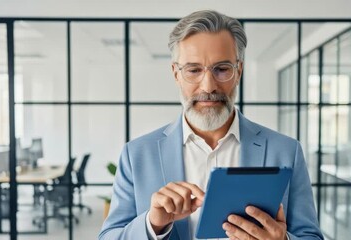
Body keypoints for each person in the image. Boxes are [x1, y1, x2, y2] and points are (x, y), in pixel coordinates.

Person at [99, 10, 323, 240]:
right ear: (176, 73)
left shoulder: (286, 151)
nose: (208, 86)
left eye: (222, 69)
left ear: (239, 71)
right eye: (194, 70)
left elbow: (312, 236)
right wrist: (151, 224)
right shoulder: (136, 155)